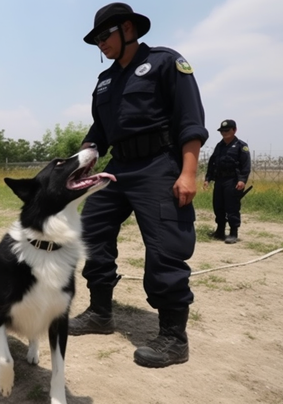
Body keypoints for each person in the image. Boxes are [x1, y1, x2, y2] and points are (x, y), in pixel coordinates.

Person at [68, 2, 209, 369]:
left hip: (159, 164)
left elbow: (190, 120)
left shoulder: (165, 63)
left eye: (104, 35)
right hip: (119, 167)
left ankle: (174, 338)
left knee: (164, 245)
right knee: (92, 229)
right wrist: (82, 160)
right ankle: (100, 313)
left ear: (127, 29)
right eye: (95, 39)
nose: (100, 44)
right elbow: (98, 132)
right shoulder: (105, 81)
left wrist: (188, 172)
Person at [203, 119, 251, 244]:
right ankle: (220, 230)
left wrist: (242, 180)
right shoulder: (220, 146)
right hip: (219, 180)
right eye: (222, 131)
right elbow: (212, 162)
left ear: (234, 130)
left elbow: (246, 165)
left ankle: (233, 232)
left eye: (227, 130)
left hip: (232, 180)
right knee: (218, 206)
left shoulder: (241, 146)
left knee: (232, 207)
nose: (224, 133)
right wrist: (208, 178)